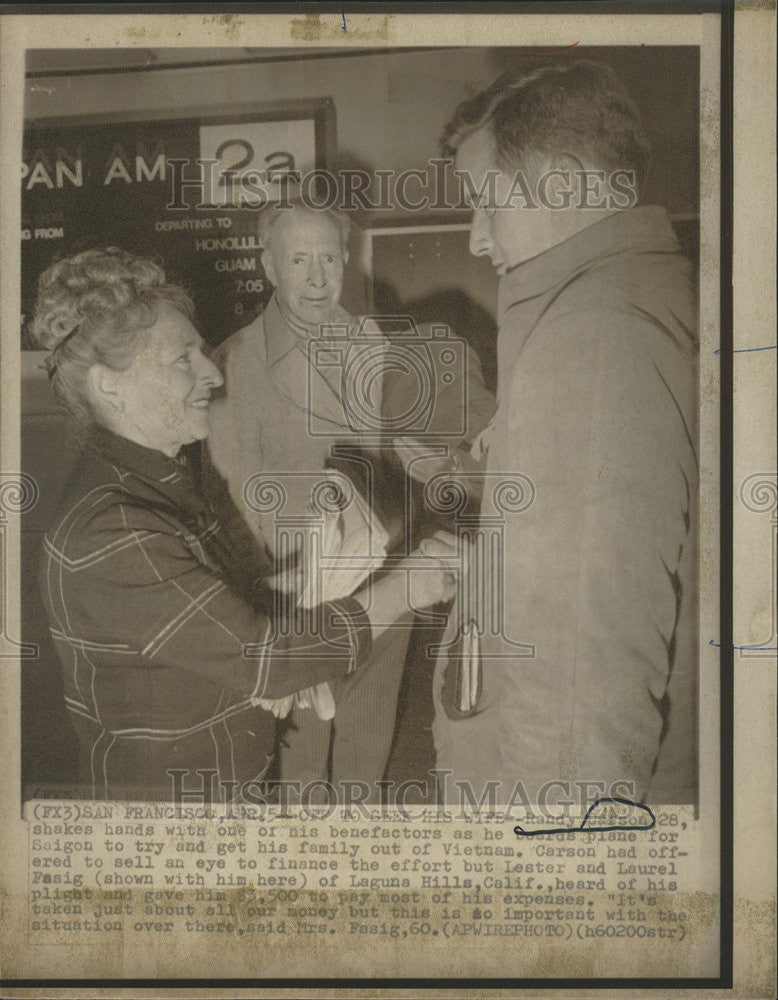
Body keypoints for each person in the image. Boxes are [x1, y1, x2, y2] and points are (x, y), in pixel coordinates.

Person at [33, 247, 457, 802]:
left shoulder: (157, 479)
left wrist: (277, 622)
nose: (213, 370)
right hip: (173, 818)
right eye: (183, 359)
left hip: (227, 785)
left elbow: (217, 623)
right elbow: (267, 659)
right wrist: (406, 587)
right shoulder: (114, 530)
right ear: (108, 384)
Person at [431, 61, 698, 806]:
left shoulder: (591, 337)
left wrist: (550, 875)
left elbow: (580, 677)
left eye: (487, 204)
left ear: (564, 182)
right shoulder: (648, 297)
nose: (478, 239)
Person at [205, 200, 494, 801]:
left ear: (346, 260)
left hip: (386, 571)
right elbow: (235, 501)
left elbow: (388, 451)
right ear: (268, 266)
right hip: (300, 593)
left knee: (369, 740)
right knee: (303, 754)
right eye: (299, 259)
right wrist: (282, 599)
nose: (316, 277)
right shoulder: (235, 363)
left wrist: (447, 465)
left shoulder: (368, 342)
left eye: (329, 258)